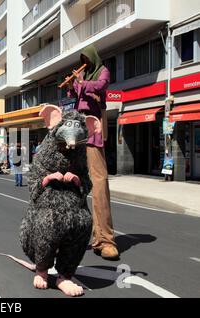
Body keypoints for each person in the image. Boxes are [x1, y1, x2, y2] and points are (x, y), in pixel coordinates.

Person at [66, 44, 118, 260]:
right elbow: (75, 94)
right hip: (77, 128)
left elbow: (100, 86)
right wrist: (70, 86)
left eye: (86, 58)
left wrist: (81, 82)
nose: (83, 62)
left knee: (99, 181)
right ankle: (70, 235)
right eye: (82, 58)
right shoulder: (84, 74)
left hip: (94, 125)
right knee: (69, 182)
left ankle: (104, 239)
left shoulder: (101, 71)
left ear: (93, 57)